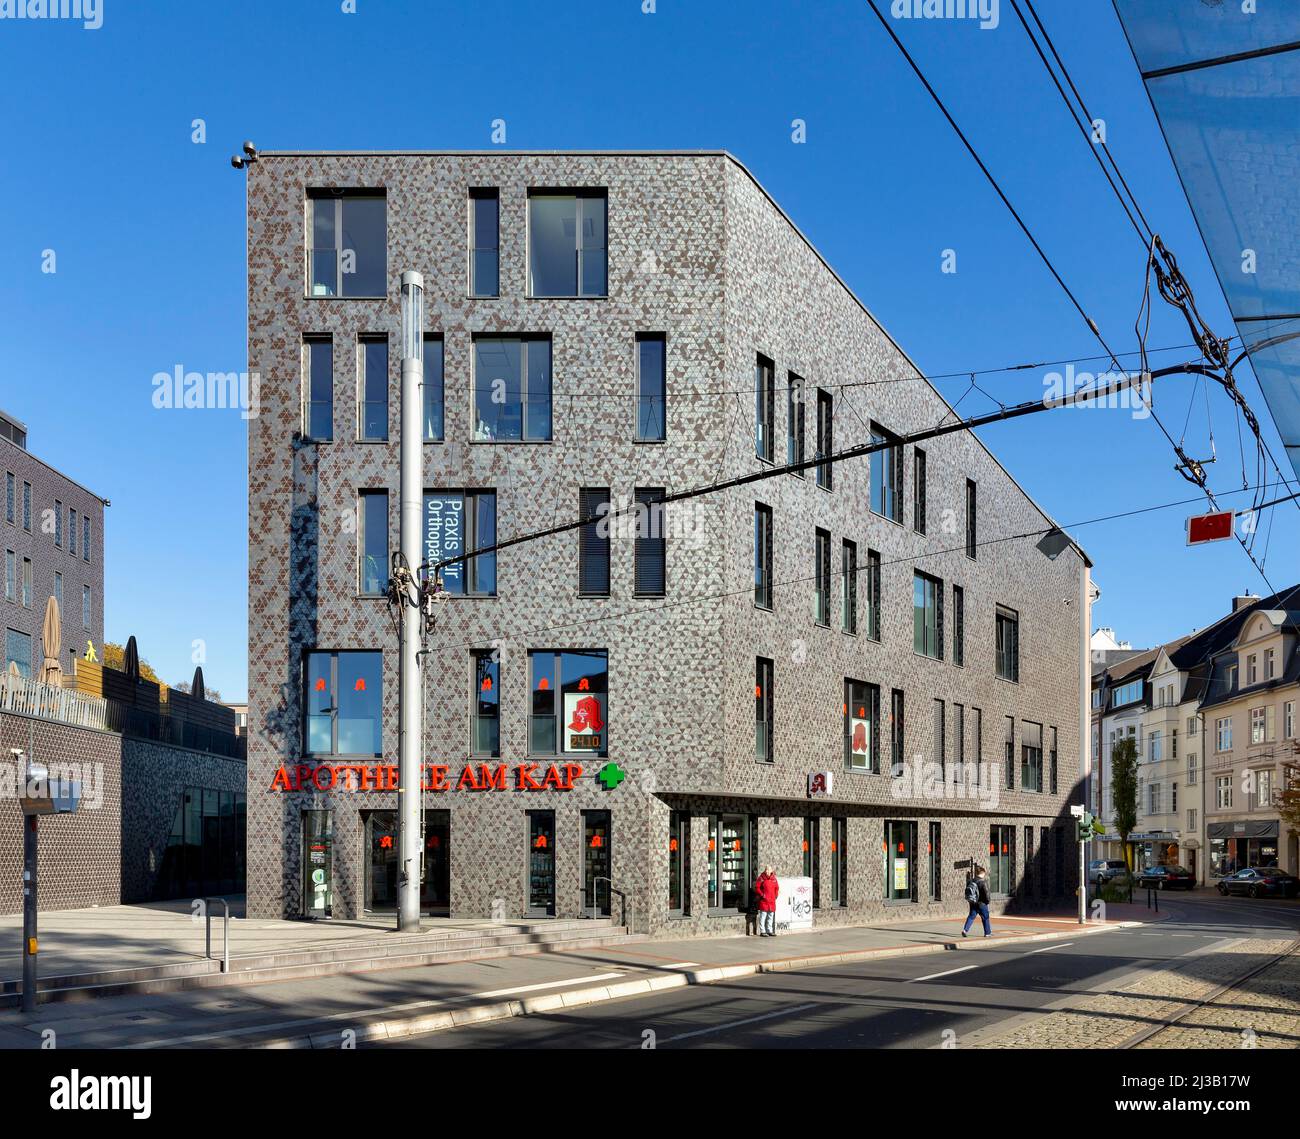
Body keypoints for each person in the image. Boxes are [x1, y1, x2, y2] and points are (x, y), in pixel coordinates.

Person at [962, 867, 992, 938]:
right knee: (985, 917)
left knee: (971, 917)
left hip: (973, 902)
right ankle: (987, 933)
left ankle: (965, 930)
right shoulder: (983, 882)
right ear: (983, 873)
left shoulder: (971, 881)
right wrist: (987, 901)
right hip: (982, 903)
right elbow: (986, 894)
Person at [754, 865, 780, 937]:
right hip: (764, 901)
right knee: (763, 916)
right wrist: (762, 895)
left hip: (772, 901)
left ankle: (769, 930)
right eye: (766, 870)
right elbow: (757, 888)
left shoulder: (774, 879)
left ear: (771, 871)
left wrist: (776, 895)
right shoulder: (761, 878)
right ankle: (763, 931)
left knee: (770, 916)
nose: (767, 871)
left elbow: (777, 888)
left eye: (768, 870)